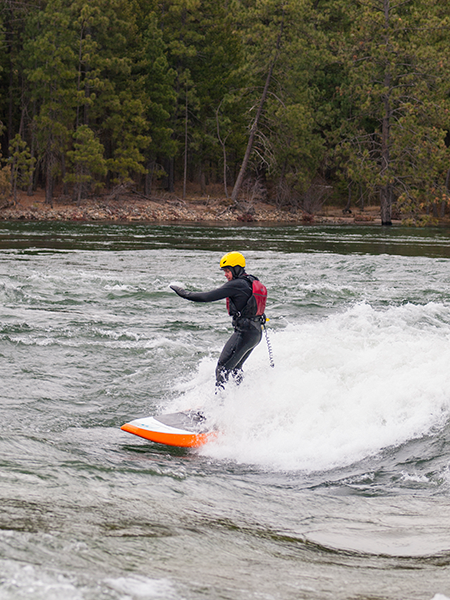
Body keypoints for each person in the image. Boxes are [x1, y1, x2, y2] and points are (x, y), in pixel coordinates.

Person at [170, 252, 267, 390]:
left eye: (227, 271)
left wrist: (185, 294)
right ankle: (239, 398)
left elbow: (207, 296)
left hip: (245, 333)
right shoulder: (250, 281)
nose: (225, 274)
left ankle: (219, 405)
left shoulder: (237, 284)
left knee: (222, 369)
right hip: (255, 333)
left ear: (236, 269)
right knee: (235, 369)